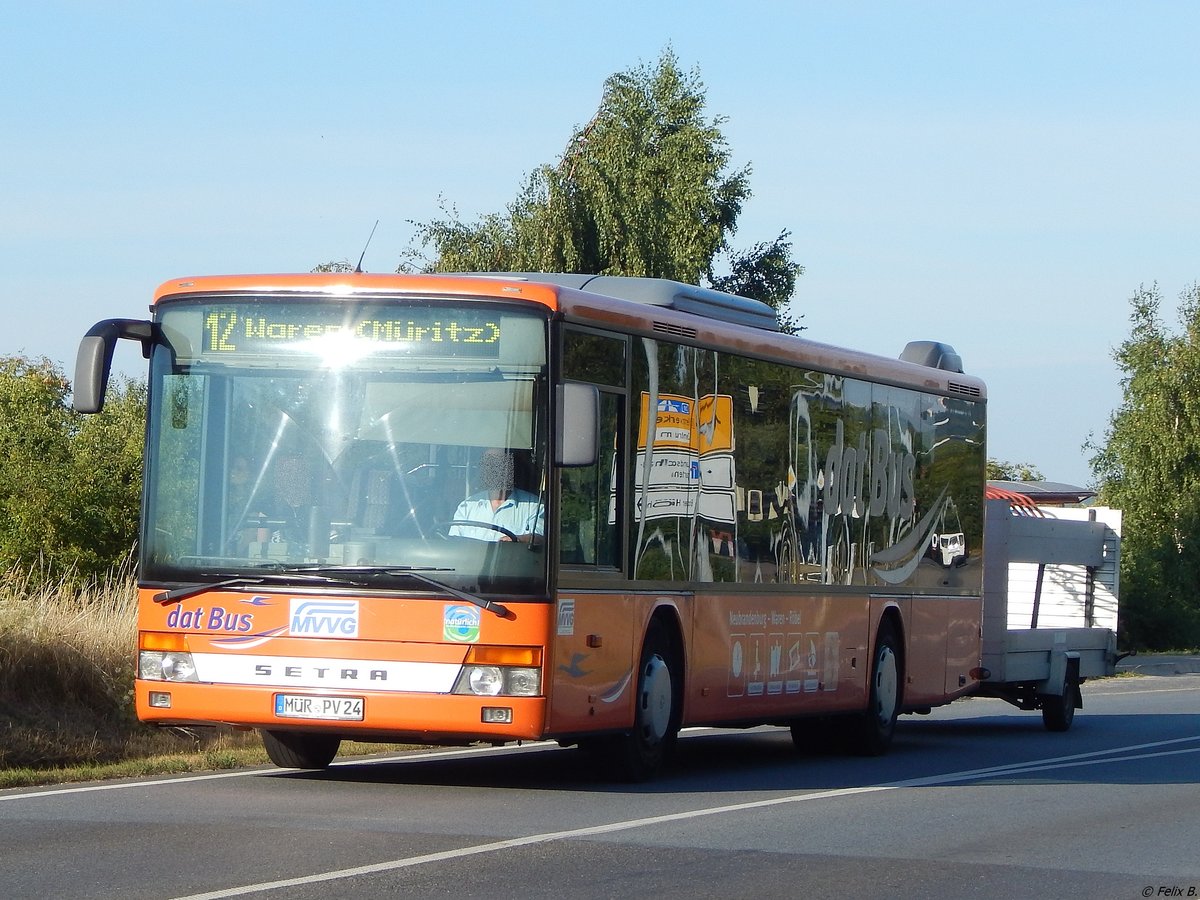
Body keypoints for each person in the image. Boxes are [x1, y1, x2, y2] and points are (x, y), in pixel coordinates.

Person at [449, 448, 544, 542]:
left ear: (510, 468)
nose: (493, 470)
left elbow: (540, 538)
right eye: (488, 464)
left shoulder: (534, 505)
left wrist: (518, 539)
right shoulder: (467, 506)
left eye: (498, 464)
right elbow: (453, 543)